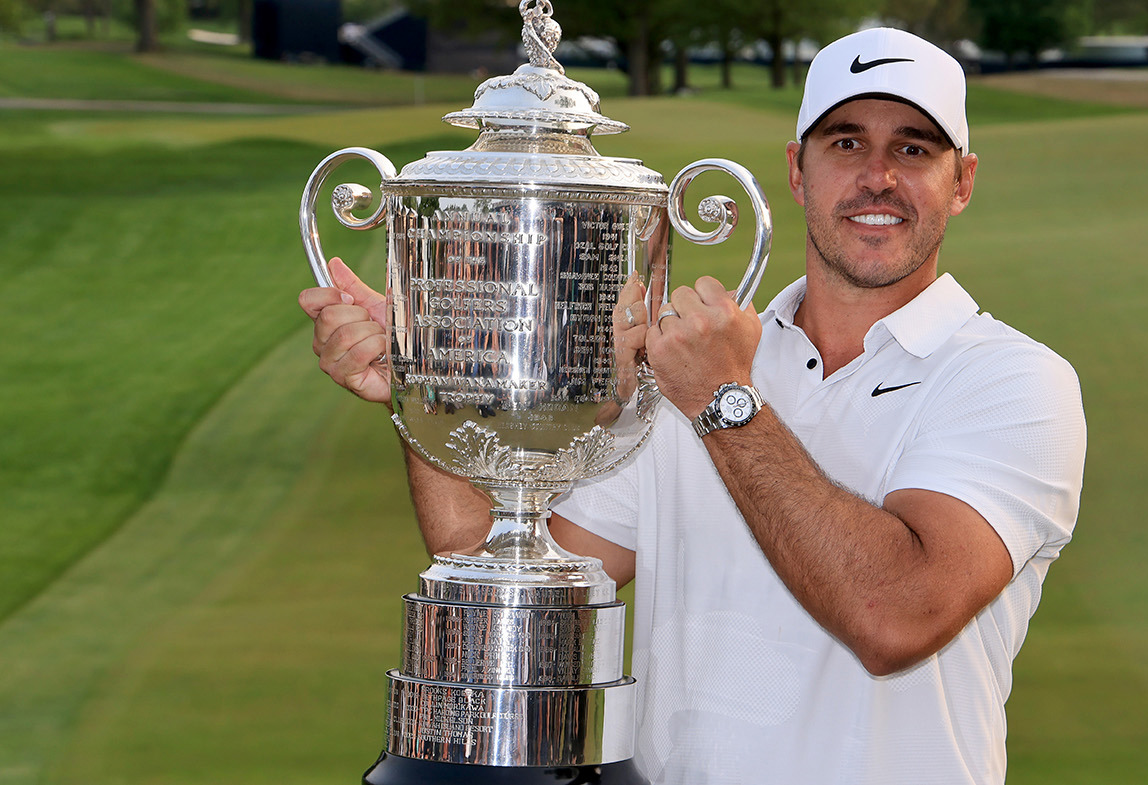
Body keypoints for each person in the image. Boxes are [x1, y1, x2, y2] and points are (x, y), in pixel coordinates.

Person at [301, 27, 1086, 785]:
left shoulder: (1014, 381)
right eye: (846, 142)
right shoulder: (681, 372)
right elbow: (490, 549)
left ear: (963, 182)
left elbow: (893, 616)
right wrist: (426, 385)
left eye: (913, 148)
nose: (877, 175)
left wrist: (721, 401)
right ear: (797, 170)